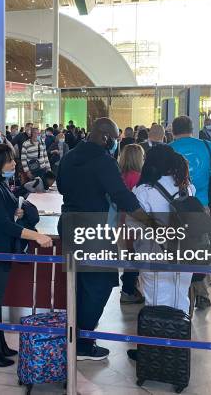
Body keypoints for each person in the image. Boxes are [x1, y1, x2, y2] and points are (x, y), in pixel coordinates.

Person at [58, 117, 145, 361]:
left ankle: (76, 337)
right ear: (106, 137)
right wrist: (148, 220)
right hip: (93, 229)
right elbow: (121, 195)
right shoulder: (103, 160)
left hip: (69, 224)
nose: (116, 144)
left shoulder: (69, 156)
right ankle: (83, 344)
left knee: (79, 285)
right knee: (100, 284)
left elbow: (62, 187)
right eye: (115, 139)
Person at [0, 144, 52, 367]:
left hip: (4, 248)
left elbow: (4, 213)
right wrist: (35, 236)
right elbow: (2, 224)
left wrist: (17, 211)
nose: (13, 164)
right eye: (9, 160)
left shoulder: (0, 184)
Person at [169, 116, 211, 309]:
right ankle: (202, 291)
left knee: (175, 249)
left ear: (173, 131)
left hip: (174, 208)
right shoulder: (206, 146)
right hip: (201, 206)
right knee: (201, 249)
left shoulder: (168, 148)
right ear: (193, 129)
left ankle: (180, 294)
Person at [131, 145, 195, 312]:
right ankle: (180, 331)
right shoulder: (186, 187)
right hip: (185, 251)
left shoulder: (143, 190)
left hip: (153, 253)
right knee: (181, 296)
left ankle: (159, 334)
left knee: (156, 301)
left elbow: (133, 226)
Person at [117, 143, 145, 304]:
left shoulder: (119, 175)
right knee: (133, 256)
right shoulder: (137, 177)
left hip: (121, 221)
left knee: (129, 255)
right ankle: (128, 290)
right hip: (133, 222)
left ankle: (130, 287)